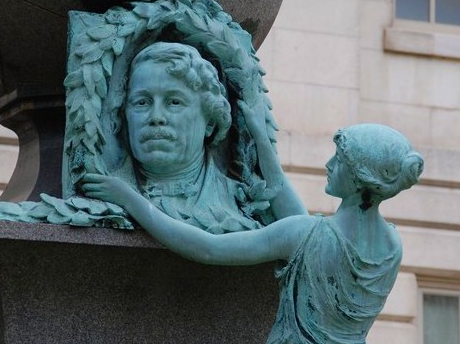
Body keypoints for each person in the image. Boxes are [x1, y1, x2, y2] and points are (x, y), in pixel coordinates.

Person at [82, 123, 424, 344]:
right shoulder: (392, 245)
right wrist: (262, 142)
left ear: (358, 177)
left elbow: (209, 248)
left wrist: (129, 197)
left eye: (339, 161)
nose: (329, 165)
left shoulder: (305, 234)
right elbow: (299, 225)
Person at [92, 41, 306, 232]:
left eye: (174, 102)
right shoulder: (100, 193)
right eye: (142, 102)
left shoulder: (242, 202)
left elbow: (304, 235)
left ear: (210, 123)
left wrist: (262, 143)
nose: (156, 117)